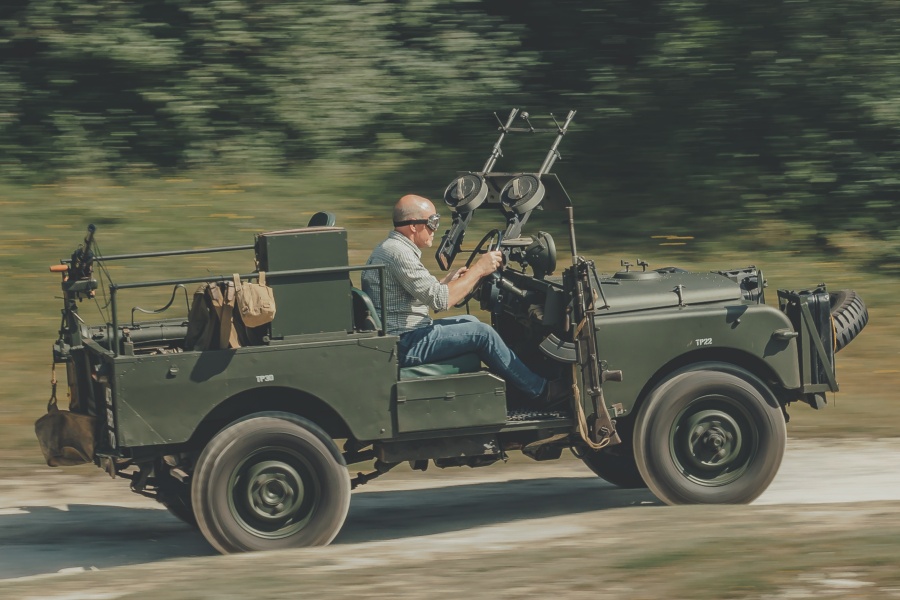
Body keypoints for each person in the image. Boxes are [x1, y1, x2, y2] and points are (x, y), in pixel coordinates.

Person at [361, 194, 568, 406]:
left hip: (401, 335)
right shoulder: (399, 253)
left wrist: (448, 281)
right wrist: (479, 270)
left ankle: (512, 388)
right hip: (405, 342)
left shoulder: (391, 248)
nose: (436, 228)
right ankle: (541, 391)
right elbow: (441, 301)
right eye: (433, 222)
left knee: (473, 322)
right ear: (413, 226)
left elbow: (419, 295)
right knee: (483, 334)